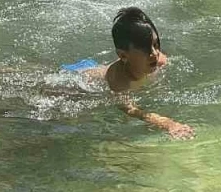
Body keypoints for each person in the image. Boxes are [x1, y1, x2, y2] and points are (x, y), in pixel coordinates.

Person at [69, 8, 195, 140]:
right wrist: (167, 124)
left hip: (95, 65)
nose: (154, 53)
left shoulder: (159, 60)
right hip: (82, 77)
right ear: (123, 55)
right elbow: (131, 110)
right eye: (145, 48)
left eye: (155, 44)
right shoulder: (119, 84)